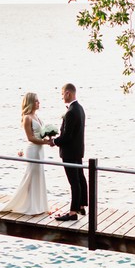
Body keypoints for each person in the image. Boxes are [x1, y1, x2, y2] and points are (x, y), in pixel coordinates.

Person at [0, 92, 51, 215]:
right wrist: (46, 142)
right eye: (37, 101)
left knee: (39, 175)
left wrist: (48, 137)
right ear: (31, 102)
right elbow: (30, 138)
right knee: (31, 176)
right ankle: (28, 205)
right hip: (33, 150)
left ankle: (39, 204)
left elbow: (40, 132)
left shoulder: (37, 116)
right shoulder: (27, 117)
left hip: (40, 150)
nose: (39, 103)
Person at [50, 83, 86, 221]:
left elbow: (67, 136)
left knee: (74, 182)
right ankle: (81, 205)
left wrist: (54, 142)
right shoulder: (80, 108)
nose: (61, 97)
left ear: (68, 93)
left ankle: (72, 213)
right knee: (80, 178)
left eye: (62, 93)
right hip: (78, 150)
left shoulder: (71, 112)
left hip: (70, 152)